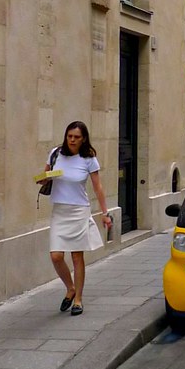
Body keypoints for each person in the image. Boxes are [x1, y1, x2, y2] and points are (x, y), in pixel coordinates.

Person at [38, 121, 109, 316]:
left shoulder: (89, 159)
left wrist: (105, 213)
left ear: (83, 138)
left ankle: (78, 298)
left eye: (76, 137)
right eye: (69, 136)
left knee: (77, 256)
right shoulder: (55, 153)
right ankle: (69, 288)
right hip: (59, 210)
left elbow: (98, 187)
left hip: (79, 211)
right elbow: (44, 175)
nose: (72, 140)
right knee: (56, 256)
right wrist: (43, 178)